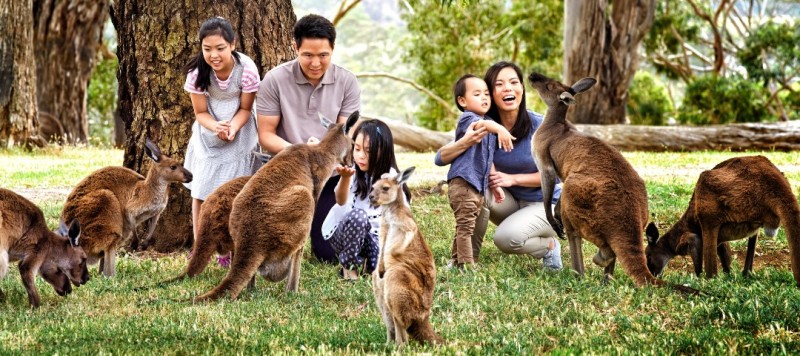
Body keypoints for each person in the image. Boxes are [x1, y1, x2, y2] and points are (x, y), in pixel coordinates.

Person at [435, 61, 563, 270]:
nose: (508, 88)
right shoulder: (483, 124)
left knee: (505, 239)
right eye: (499, 84)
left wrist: (512, 179)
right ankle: (465, 262)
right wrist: (466, 141)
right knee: (476, 188)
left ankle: (548, 246)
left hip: (546, 206)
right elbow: (440, 158)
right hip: (509, 203)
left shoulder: (540, 125)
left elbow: (558, 175)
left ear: (522, 88)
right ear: (490, 93)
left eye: (514, 82)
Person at [256, 14, 360, 263]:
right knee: (275, 250)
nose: (315, 63)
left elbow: (346, 136)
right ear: (295, 48)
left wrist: (324, 155)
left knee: (328, 255)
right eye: (308, 55)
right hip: (286, 177)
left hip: (328, 178)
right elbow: (266, 135)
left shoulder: (347, 82)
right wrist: (303, 151)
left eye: (323, 55)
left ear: (333, 49)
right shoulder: (274, 80)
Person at [183, 17, 261, 266]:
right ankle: (200, 246)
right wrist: (216, 127)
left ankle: (230, 247)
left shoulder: (246, 69)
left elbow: (247, 109)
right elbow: (200, 113)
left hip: (240, 128)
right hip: (210, 129)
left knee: (234, 191)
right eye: (207, 49)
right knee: (202, 190)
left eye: (220, 48)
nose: (213, 55)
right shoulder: (197, 74)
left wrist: (233, 128)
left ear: (232, 45)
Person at [321, 120, 410, 280]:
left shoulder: (391, 178)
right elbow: (340, 201)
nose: (361, 156)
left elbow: (401, 216)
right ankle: (349, 269)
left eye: (368, 151)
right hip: (344, 232)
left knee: (381, 268)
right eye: (357, 148)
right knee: (358, 216)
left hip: (374, 236)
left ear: (384, 152)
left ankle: (365, 262)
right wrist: (345, 178)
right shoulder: (353, 171)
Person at [445, 74, 515, 269]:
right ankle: (467, 266)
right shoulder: (469, 119)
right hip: (463, 184)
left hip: (476, 187)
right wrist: (499, 128)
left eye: (486, 93)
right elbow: (481, 125)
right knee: (466, 228)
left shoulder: (489, 123)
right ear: (462, 101)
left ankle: (456, 262)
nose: (484, 97)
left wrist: (496, 185)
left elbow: (488, 159)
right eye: (477, 94)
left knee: (466, 226)